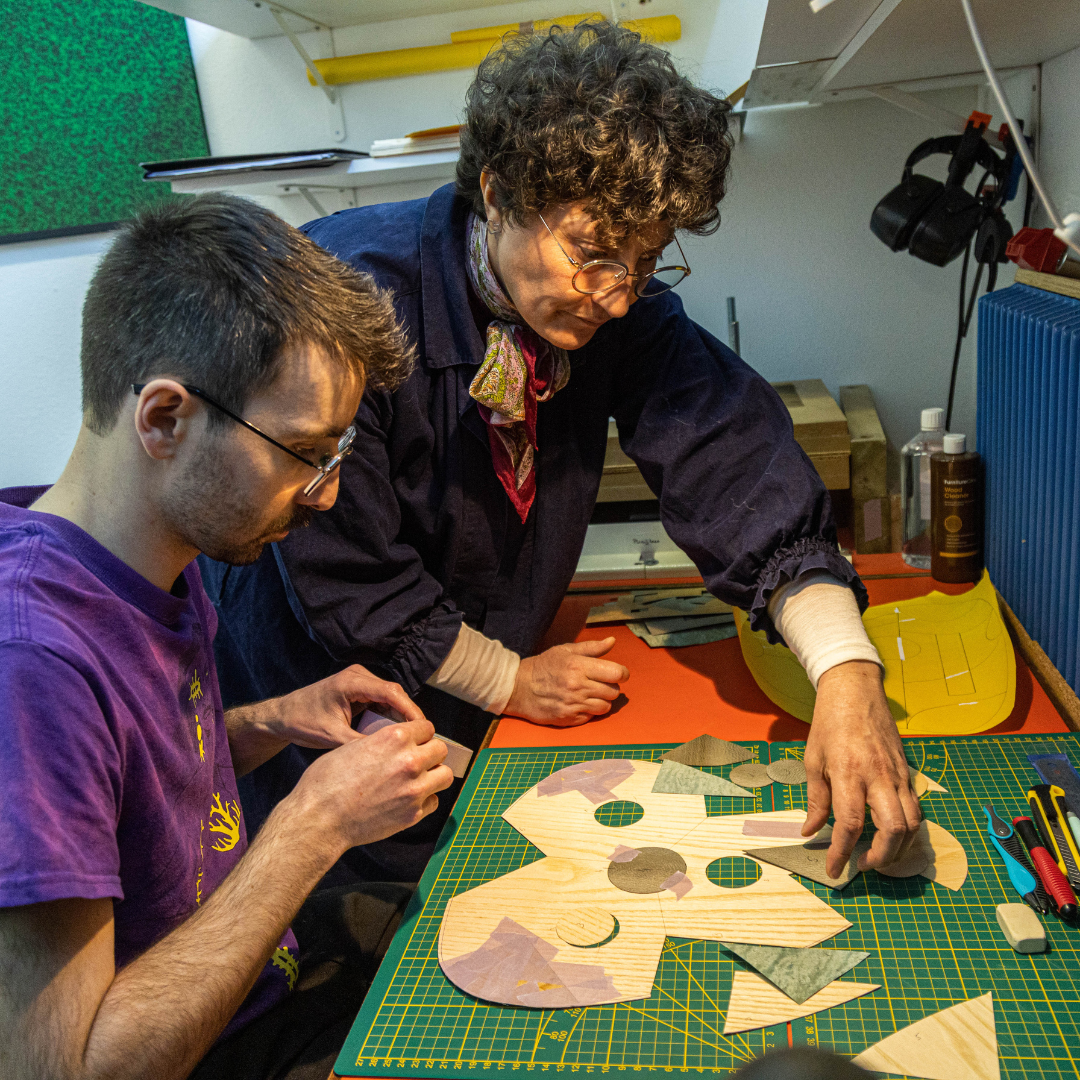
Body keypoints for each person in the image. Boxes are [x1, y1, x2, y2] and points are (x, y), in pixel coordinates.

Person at [202, 20, 921, 886]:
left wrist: (845, 671)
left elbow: (732, 457)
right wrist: (509, 681)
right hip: (318, 683)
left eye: (646, 261)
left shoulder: (614, 307)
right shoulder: (348, 300)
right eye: (591, 253)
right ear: (499, 190)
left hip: (469, 684)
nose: (617, 298)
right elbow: (347, 575)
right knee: (339, 907)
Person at [0, 193, 455, 1080]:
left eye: (334, 456)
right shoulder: (34, 663)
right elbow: (67, 1069)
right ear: (166, 418)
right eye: (300, 452)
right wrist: (315, 822)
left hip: (264, 981)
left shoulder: (151, 562)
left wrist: (274, 721)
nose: (324, 495)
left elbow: (133, 789)